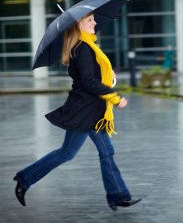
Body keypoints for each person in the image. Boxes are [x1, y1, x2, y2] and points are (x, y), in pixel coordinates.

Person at [13, 12, 141, 211]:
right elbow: (89, 83)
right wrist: (114, 97)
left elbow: (91, 77)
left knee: (98, 152)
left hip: (91, 110)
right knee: (70, 153)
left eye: (93, 19)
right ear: (78, 26)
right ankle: (24, 178)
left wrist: (108, 75)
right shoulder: (83, 49)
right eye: (89, 20)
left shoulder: (89, 47)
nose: (95, 22)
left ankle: (118, 196)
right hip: (84, 111)